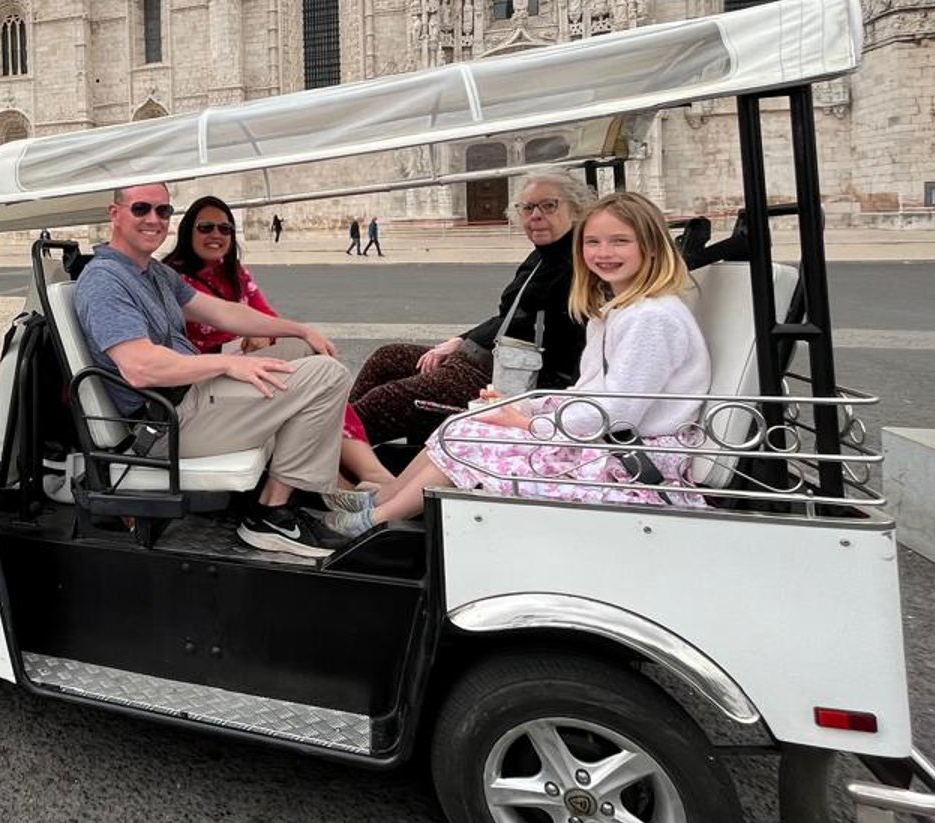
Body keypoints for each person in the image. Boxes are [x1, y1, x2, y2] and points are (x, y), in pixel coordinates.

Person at [327, 193, 711, 535]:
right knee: (467, 422)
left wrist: (527, 423)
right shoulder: (616, 311)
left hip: (633, 457)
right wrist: (522, 408)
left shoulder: (650, 319)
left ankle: (377, 520)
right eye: (593, 242)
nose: (603, 252)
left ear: (653, 249)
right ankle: (384, 499)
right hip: (609, 438)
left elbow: (616, 413)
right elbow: (590, 392)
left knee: (472, 439)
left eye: (620, 242)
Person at [74, 183, 361, 560]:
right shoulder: (105, 281)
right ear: (115, 214)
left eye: (163, 211)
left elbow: (224, 312)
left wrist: (299, 329)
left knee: (303, 350)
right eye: (141, 208)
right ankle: (272, 514)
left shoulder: (153, 273)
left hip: (190, 398)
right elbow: (141, 367)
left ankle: (311, 482)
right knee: (327, 376)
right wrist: (229, 362)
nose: (153, 220)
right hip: (166, 424)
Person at [349, 171, 593, 450]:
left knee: (387, 399)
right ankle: (332, 433)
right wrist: (461, 340)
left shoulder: (582, 264)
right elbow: (511, 317)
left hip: (509, 381)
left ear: (576, 208)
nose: (535, 215)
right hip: (487, 360)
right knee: (388, 358)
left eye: (548, 205)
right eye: (527, 208)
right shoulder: (541, 256)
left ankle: (328, 448)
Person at [162, 197, 391, 489]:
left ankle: (365, 471)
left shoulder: (234, 273)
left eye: (225, 228)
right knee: (321, 377)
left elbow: (265, 317)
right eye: (205, 227)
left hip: (238, 365)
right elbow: (221, 321)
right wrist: (247, 335)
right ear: (187, 232)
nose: (216, 235)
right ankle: (339, 480)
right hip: (206, 377)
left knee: (311, 353)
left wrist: (290, 332)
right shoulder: (174, 279)